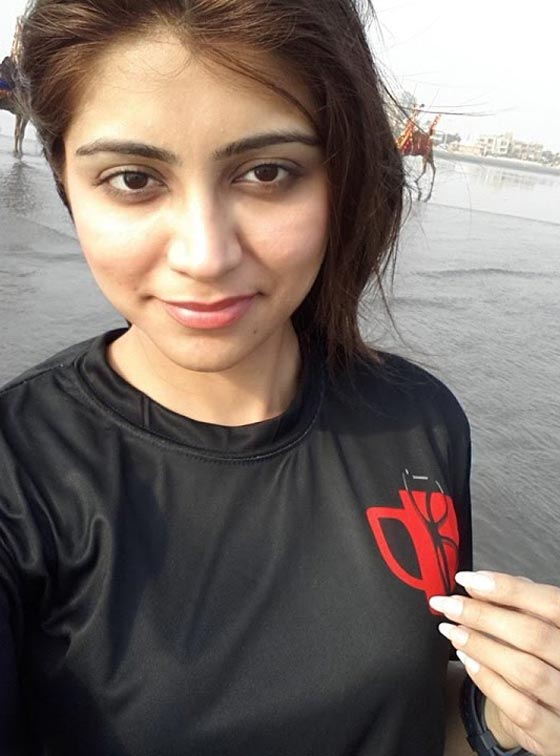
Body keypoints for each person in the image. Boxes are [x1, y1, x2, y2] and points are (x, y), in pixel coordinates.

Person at [0, 1, 558, 754]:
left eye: (266, 173)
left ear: (341, 179)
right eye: (133, 179)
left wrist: (506, 719)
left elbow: (410, 715)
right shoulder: (20, 478)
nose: (205, 256)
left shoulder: (419, 420)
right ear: (67, 182)